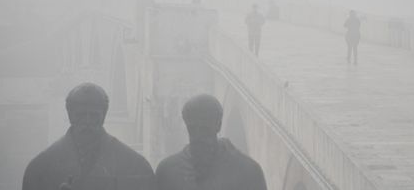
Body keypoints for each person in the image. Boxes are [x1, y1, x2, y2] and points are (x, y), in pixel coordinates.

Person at [22, 83, 155, 190]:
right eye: (80, 115)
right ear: (70, 116)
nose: (87, 121)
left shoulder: (135, 165)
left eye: (94, 115)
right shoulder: (40, 168)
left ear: (103, 116)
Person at [155, 94, 267, 190]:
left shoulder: (248, 172)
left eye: (205, 129)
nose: (198, 136)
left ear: (218, 125)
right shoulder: (167, 172)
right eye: (193, 129)